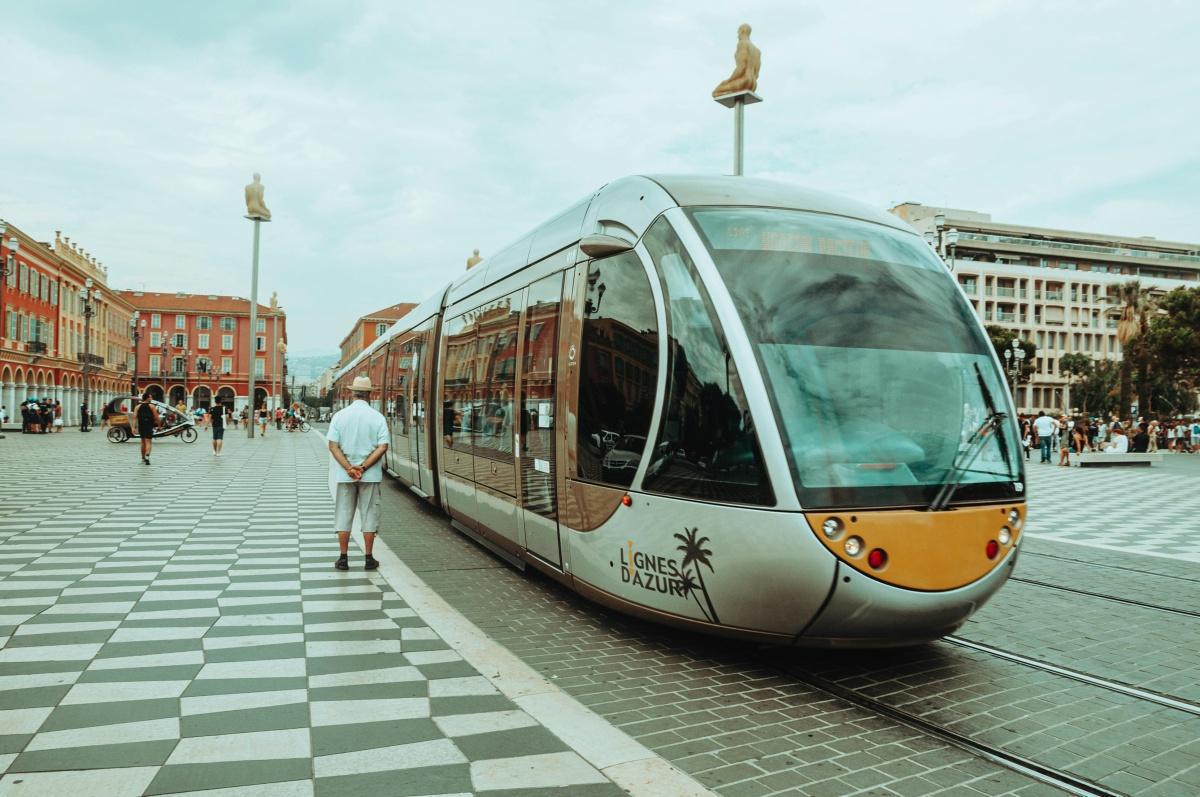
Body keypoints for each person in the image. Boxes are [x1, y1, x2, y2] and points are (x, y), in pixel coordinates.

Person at [327, 376, 389, 571]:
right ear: (369, 394)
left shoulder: (340, 416)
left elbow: (333, 446)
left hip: (345, 476)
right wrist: (363, 467)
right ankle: (369, 558)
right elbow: (383, 447)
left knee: (343, 513)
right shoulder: (377, 417)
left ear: (352, 393)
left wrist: (349, 468)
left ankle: (343, 558)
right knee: (370, 513)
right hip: (369, 476)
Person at [135, 391, 160, 465]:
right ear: (147, 398)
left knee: (143, 442)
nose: (151, 398)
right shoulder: (152, 406)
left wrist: (133, 427)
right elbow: (156, 417)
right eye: (150, 397)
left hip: (141, 425)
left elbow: (134, 417)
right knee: (148, 442)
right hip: (149, 425)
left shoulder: (137, 407)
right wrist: (159, 425)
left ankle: (143, 459)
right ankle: (147, 455)